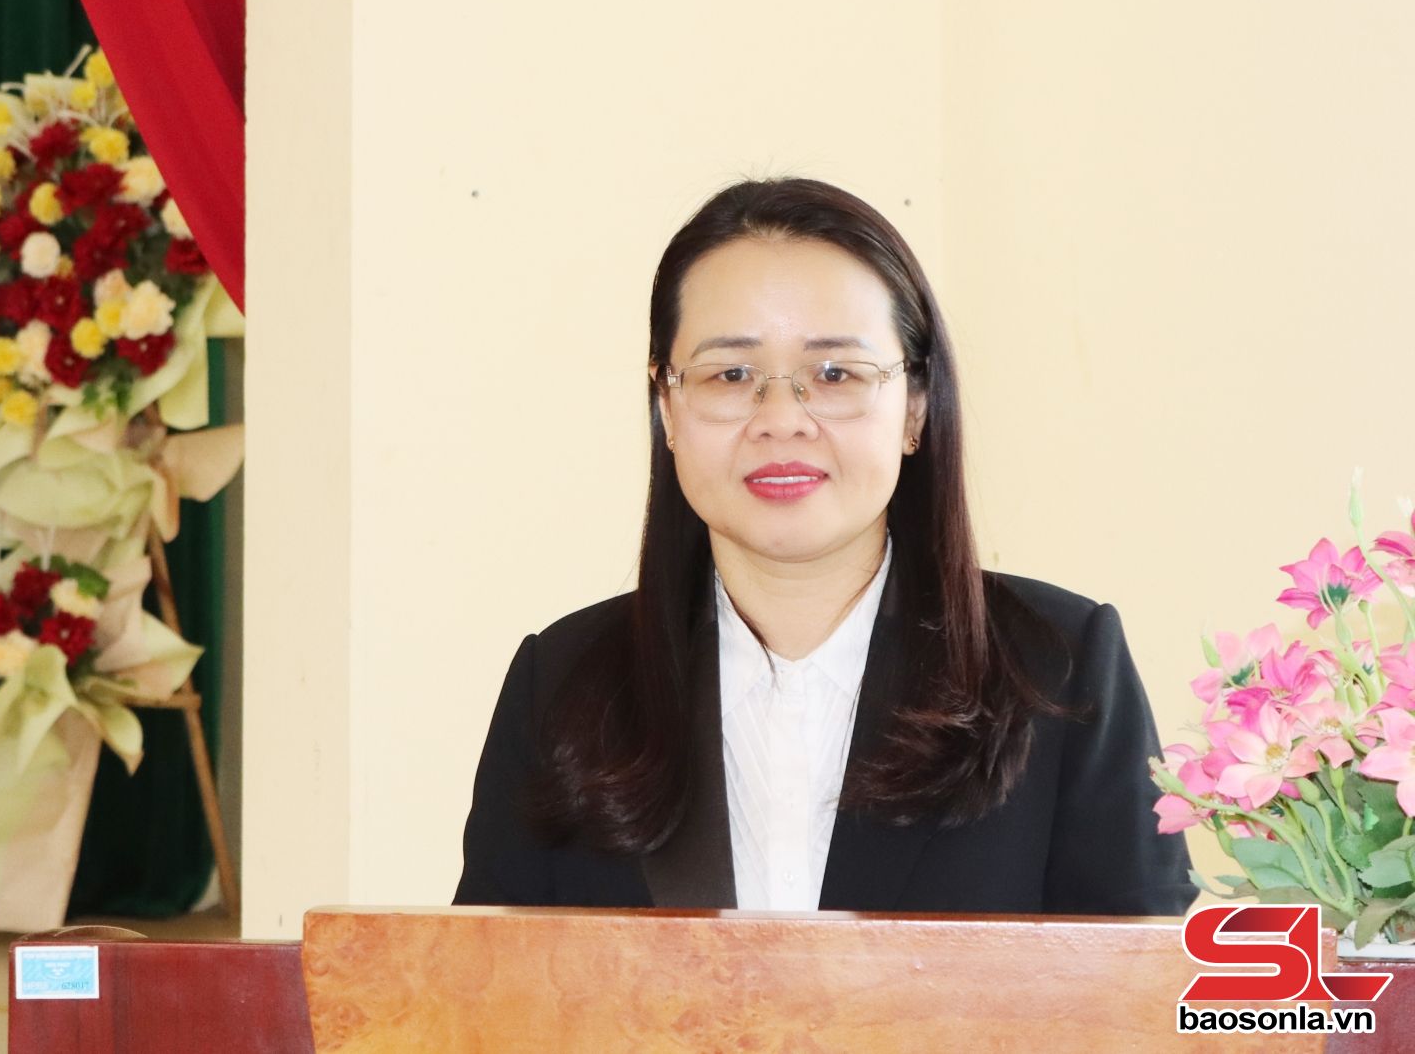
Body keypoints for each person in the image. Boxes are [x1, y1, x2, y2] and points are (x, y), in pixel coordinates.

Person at [453, 177, 1195, 915]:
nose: (781, 419)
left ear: (914, 407)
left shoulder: (1058, 669)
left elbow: (1146, 979)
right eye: (731, 374)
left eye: (835, 373)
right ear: (668, 407)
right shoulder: (563, 686)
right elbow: (477, 982)